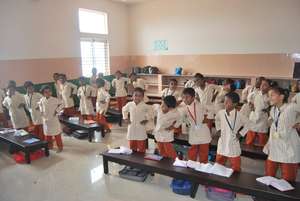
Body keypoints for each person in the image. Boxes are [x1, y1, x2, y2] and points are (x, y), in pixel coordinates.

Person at [263, 86, 300, 182]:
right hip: (275, 147)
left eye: (272, 95)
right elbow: (273, 122)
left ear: (281, 97)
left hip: (289, 147)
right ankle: (267, 196)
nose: (269, 98)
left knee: (288, 181)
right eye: (268, 95)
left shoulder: (291, 107)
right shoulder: (273, 110)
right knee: (269, 177)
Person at [215, 92, 251, 172]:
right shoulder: (221, 113)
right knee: (219, 163)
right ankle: (218, 176)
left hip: (233, 141)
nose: (225, 103)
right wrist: (218, 129)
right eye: (224, 101)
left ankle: (235, 178)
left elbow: (249, 124)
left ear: (234, 104)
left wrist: (241, 134)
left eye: (227, 102)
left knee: (235, 166)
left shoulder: (239, 115)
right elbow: (217, 120)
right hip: (223, 141)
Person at [181, 88, 212, 163]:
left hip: (203, 131)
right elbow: (182, 119)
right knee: (192, 152)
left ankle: (203, 168)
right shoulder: (184, 108)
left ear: (193, 97)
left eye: (187, 97)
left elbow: (211, 112)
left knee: (204, 153)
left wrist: (208, 118)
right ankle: (191, 167)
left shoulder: (200, 105)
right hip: (193, 131)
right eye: (183, 97)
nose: (185, 99)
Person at [122, 87, 152, 153]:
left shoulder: (144, 106)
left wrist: (146, 119)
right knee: (132, 145)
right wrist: (125, 118)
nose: (137, 97)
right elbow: (124, 110)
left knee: (141, 145)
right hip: (131, 126)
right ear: (132, 96)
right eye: (135, 95)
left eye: (139, 96)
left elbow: (150, 112)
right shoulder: (129, 104)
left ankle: (141, 159)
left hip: (141, 127)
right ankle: (133, 157)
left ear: (142, 97)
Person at [39, 85, 64, 153]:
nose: (47, 93)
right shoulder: (42, 99)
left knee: (57, 134)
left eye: (49, 91)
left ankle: (60, 147)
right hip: (46, 120)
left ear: (51, 92)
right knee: (48, 135)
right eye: (45, 92)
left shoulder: (54, 99)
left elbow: (62, 104)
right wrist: (41, 111)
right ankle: (50, 146)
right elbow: (40, 104)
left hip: (53, 119)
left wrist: (57, 110)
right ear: (43, 93)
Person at [246, 78, 270, 146]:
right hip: (254, 116)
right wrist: (251, 105)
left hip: (263, 117)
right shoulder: (254, 94)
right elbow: (249, 100)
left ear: (269, 87)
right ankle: (248, 148)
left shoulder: (269, 95)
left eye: (265, 85)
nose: (262, 86)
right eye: (262, 84)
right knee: (251, 134)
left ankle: (262, 151)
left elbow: (272, 105)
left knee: (262, 136)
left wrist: (268, 109)